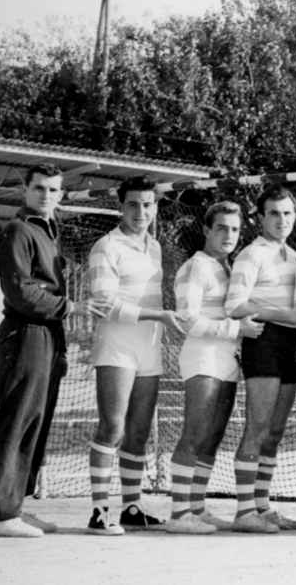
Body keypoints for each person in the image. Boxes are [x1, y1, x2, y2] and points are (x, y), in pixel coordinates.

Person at [0, 165, 109, 538]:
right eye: (39, 188)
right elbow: (21, 292)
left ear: (61, 194)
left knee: (36, 422)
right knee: (17, 422)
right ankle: (0, 514)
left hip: (49, 336)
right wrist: (72, 308)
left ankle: (16, 507)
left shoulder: (48, 232)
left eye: (53, 190)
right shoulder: (18, 230)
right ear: (25, 190)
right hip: (25, 334)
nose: (46, 196)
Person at [85, 176, 185, 535]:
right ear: (120, 206)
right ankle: (98, 511)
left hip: (149, 347)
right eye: (133, 204)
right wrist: (161, 316)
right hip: (116, 346)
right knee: (113, 426)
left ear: (155, 207)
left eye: (147, 204)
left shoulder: (154, 247)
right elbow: (104, 304)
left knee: (139, 431)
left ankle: (131, 506)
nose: (141, 212)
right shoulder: (106, 246)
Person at [165, 201, 263, 534]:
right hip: (203, 356)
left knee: (213, 436)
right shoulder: (196, 266)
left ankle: (196, 507)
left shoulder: (227, 266)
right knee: (194, 432)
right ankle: (178, 514)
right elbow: (187, 319)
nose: (228, 235)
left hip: (227, 359)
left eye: (235, 229)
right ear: (206, 229)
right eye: (221, 227)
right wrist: (237, 329)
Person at [225, 185, 296, 533]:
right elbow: (234, 305)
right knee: (257, 427)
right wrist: (283, 314)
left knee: (275, 431)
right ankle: (244, 511)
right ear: (260, 218)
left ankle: (261, 507)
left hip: (288, 342)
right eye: (274, 213)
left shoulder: (294, 256)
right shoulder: (252, 254)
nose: (281, 220)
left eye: (287, 213)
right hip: (262, 341)